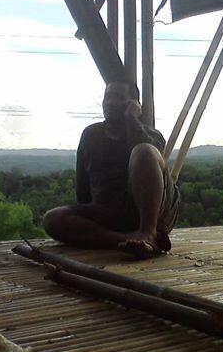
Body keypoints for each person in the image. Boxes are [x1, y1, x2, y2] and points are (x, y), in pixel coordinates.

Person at [43, 81, 180, 258]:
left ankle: (149, 233)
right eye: (107, 97)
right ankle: (125, 240)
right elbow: (83, 190)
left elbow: (151, 160)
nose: (109, 102)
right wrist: (82, 219)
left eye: (118, 98)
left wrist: (131, 118)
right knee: (52, 219)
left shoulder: (150, 135)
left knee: (144, 150)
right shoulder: (90, 135)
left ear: (133, 104)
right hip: (108, 213)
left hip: (147, 213)